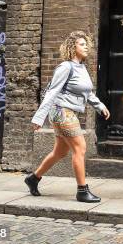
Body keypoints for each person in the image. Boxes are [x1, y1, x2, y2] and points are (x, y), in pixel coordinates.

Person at [25, 31, 111, 203]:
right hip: (61, 111)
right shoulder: (66, 67)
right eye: (81, 44)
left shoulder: (82, 68)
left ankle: (33, 178)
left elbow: (87, 93)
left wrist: (100, 106)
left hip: (68, 112)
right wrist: (38, 117)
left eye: (86, 44)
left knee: (60, 152)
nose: (86, 46)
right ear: (73, 48)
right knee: (80, 148)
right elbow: (52, 92)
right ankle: (82, 191)